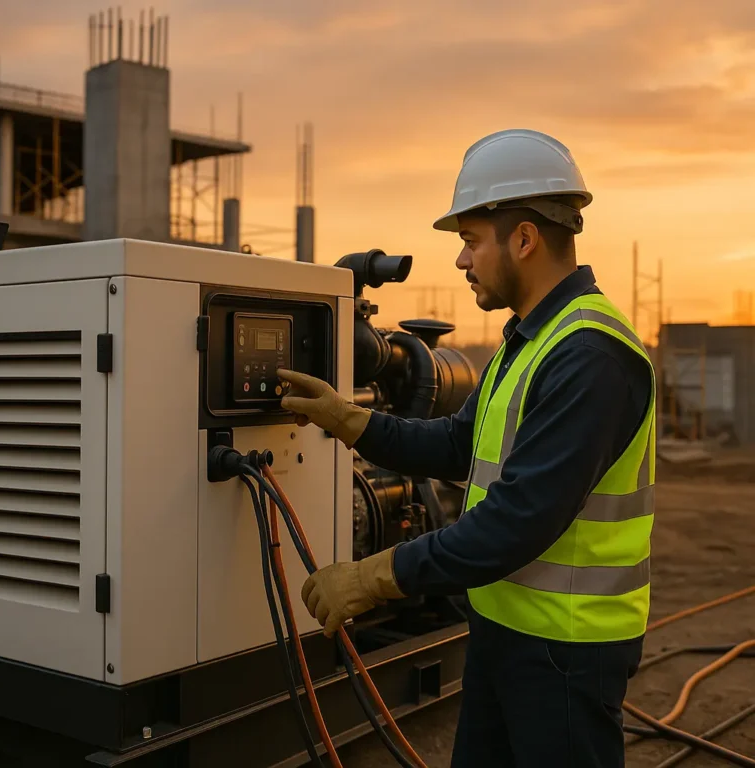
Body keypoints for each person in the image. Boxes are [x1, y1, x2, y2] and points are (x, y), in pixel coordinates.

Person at [278, 129, 655, 768]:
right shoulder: (529, 340)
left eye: (470, 241)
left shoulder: (590, 355)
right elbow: (461, 444)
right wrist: (352, 422)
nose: (461, 260)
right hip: (503, 627)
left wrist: (373, 577)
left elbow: (518, 518)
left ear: (525, 239)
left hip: (564, 652)